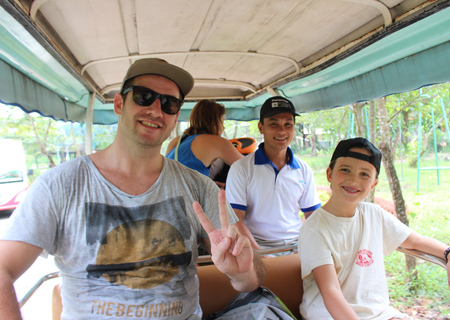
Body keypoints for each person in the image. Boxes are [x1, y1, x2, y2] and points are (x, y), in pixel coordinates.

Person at [0, 58, 265, 319]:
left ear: (175, 119)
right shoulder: (60, 185)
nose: (156, 110)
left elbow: (252, 277)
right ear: (119, 103)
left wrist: (242, 274)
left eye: (169, 104)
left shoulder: (198, 187)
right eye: (143, 96)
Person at [298, 137, 450, 320]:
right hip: (329, 314)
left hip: (379, 313)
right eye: (345, 170)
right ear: (330, 174)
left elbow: (415, 241)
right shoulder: (315, 228)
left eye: (364, 174)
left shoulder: (374, 214)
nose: (353, 180)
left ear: (374, 184)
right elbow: (331, 291)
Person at [226, 96, 321, 252]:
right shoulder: (241, 168)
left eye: (288, 124)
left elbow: (313, 215)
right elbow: (235, 220)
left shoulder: (303, 169)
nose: (282, 131)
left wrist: (312, 246)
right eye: (274, 124)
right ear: (261, 127)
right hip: (256, 244)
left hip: (297, 244)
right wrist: (258, 253)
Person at [166, 99, 243, 188]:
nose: (223, 127)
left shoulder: (177, 140)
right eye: (222, 122)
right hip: (189, 200)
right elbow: (249, 168)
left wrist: (209, 185)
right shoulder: (216, 141)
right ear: (214, 123)